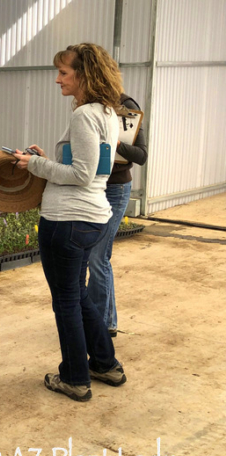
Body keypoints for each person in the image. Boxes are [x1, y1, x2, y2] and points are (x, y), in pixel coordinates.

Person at [12, 43, 127, 402]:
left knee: (65, 301)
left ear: (84, 74)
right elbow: (94, 167)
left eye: (64, 72)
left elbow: (81, 173)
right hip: (90, 218)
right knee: (77, 296)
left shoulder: (84, 115)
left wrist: (32, 165)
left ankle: (75, 378)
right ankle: (105, 364)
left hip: (67, 220)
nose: (57, 79)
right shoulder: (107, 112)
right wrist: (48, 159)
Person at [87, 93, 147, 337]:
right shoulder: (87, 106)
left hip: (115, 188)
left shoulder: (126, 106)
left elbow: (141, 155)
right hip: (92, 186)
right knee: (97, 256)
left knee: (97, 256)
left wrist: (116, 142)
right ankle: (104, 321)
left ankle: (100, 324)